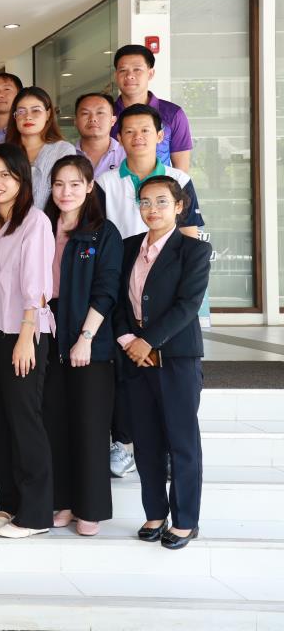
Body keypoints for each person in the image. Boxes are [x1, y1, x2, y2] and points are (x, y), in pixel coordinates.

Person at [114, 176, 212, 549]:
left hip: (176, 358)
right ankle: (155, 513)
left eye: (161, 202)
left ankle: (186, 520)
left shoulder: (194, 251)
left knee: (181, 440)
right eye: (145, 202)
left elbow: (188, 305)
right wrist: (129, 340)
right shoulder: (127, 248)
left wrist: (148, 341)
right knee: (146, 440)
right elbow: (117, 302)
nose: (152, 209)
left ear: (179, 206)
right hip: (135, 358)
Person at [0, 144, 56, 538]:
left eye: (5, 175)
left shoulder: (34, 222)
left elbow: (37, 285)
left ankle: (35, 515)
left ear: (22, 179)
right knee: (0, 422)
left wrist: (26, 336)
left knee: (24, 421)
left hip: (22, 333)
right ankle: (9, 502)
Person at [43, 156, 122, 537]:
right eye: (59, 184)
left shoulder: (103, 232)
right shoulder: (42, 226)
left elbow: (106, 291)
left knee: (89, 425)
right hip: (48, 334)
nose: (66, 192)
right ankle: (64, 502)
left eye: (75, 184)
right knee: (54, 422)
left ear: (90, 187)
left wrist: (85, 338)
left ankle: (89, 508)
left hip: (90, 336)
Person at [97, 104, 202, 240]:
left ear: (160, 136)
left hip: (168, 254)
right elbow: (96, 233)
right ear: (120, 139)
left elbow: (189, 234)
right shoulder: (104, 183)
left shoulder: (180, 180)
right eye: (129, 131)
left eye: (145, 130)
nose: (138, 136)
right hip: (118, 254)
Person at [111, 44, 193, 171]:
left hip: (160, 183)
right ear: (116, 75)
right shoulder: (106, 114)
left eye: (137, 69)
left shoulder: (173, 114)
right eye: (123, 70)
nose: (129, 75)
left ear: (150, 73)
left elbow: (181, 171)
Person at [7, 86, 76, 210]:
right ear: (15, 116)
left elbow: (67, 193)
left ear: (48, 114)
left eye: (36, 110)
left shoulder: (63, 150)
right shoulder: (3, 151)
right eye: (21, 111)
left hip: (50, 221)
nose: (28, 117)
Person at [74, 93, 125, 175]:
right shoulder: (65, 154)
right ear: (75, 121)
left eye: (100, 113)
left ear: (113, 120)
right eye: (85, 113)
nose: (93, 119)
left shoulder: (128, 155)